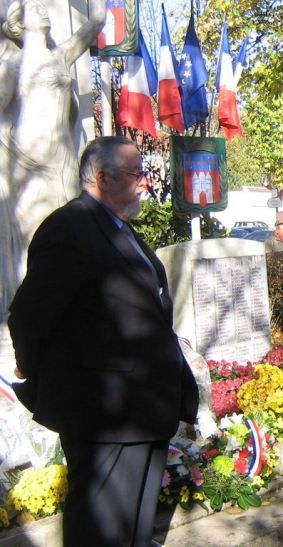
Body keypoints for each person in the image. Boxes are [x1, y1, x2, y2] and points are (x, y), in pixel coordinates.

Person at [7, 136, 199, 546]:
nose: (144, 183)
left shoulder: (121, 228)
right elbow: (28, 313)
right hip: (102, 413)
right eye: (135, 174)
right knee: (99, 531)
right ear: (101, 177)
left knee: (132, 529)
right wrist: (31, 364)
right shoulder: (69, 227)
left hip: (144, 408)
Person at [0, 0, 106, 321]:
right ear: (18, 23)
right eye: (34, 9)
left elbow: (96, 22)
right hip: (27, 158)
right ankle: (28, 314)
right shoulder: (13, 65)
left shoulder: (60, 55)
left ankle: (70, 308)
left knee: (65, 231)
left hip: (61, 157)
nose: (43, 10)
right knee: (34, 234)